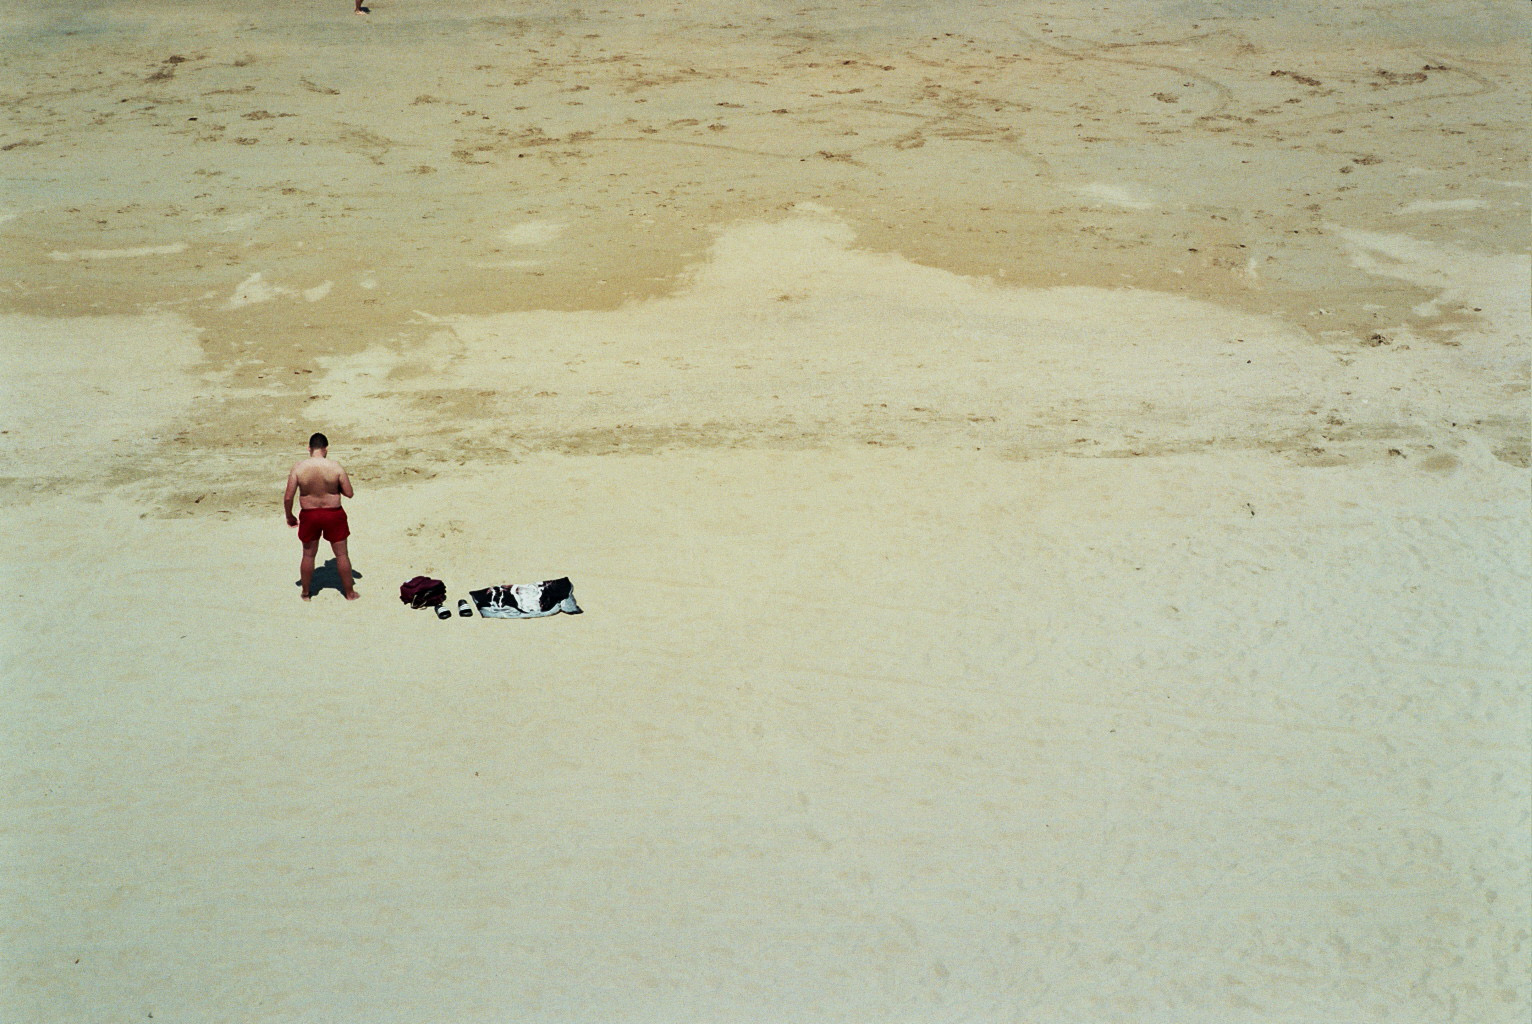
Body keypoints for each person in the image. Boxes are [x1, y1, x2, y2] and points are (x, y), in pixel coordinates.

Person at [284, 432, 359, 601]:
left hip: (309, 514)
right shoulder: (335, 467)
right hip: (333, 513)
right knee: (341, 555)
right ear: (326, 449)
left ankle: (305, 593)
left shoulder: (299, 468)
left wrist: (289, 516)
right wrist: (333, 488)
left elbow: (288, 497)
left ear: (309, 448)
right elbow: (349, 493)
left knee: (308, 555)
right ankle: (349, 593)